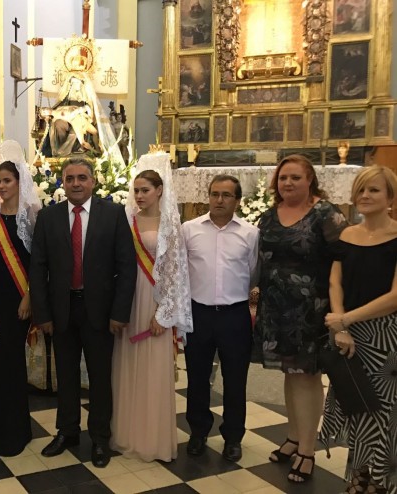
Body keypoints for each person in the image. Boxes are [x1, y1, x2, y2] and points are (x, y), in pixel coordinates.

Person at [30, 157, 137, 468]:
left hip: (101, 312)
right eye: (70, 178)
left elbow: (126, 267)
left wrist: (120, 312)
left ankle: (100, 438)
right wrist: (43, 315)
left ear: (93, 181)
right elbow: (38, 269)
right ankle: (67, 431)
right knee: (65, 375)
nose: (76, 183)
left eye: (82, 177)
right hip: (62, 310)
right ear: (62, 182)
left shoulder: (113, 214)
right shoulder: (48, 217)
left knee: (100, 377)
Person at [254, 155, 347, 483]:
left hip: (311, 311)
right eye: (283, 178)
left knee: (307, 377)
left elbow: (343, 260)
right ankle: (294, 437)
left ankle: (307, 449)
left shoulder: (326, 214)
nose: (288, 183)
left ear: (310, 180)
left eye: (295, 177)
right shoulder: (268, 216)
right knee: (290, 376)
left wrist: (339, 313)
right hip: (275, 309)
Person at [320, 166, 397, 494]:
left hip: (385, 336)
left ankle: (382, 482)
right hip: (348, 333)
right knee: (357, 406)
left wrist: (346, 320)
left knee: (384, 413)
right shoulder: (346, 235)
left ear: (390, 197)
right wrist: (340, 325)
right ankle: (361, 475)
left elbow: (395, 297)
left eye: (374, 190)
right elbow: (335, 280)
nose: (364, 196)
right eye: (361, 190)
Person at [111, 155, 193, 462]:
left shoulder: (172, 225)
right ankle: (126, 433)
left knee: (153, 369)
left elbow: (176, 272)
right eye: (136, 190)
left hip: (156, 301)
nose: (139, 195)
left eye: (145, 189)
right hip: (128, 300)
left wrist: (164, 314)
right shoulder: (126, 220)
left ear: (160, 190)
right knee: (126, 364)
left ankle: (152, 439)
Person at [182, 174, 259, 462]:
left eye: (226, 195)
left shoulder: (250, 233)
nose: (219, 200)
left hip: (234, 315)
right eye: (215, 194)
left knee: (235, 380)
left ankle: (233, 437)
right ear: (208, 197)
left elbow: (253, 273)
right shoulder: (189, 230)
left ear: (237, 200)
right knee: (198, 378)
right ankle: (198, 432)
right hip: (198, 313)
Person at [0, 140, 41, 456]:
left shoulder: (33, 214)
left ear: (19, 182)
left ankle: (14, 431)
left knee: (12, 362)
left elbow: (39, 263)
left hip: (19, 298)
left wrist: (29, 297)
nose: (1, 186)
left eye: (7, 181)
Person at [42, 76, 99, 157]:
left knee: (83, 130)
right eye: (74, 84)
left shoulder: (86, 98)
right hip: (68, 121)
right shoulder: (65, 99)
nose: (76, 86)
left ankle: (81, 149)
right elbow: (56, 111)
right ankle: (62, 150)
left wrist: (80, 111)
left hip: (81, 119)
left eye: (78, 83)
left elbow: (90, 110)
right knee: (59, 124)